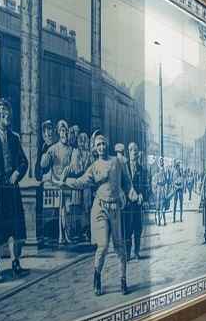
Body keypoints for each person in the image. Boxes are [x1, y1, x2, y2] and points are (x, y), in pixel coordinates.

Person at [64, 131, 130, 296]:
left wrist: (133, 194)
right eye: (98, 145)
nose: (101, 147)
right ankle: (97, 278)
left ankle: (123, 280)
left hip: (115, 208)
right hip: (99, 208)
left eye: (103, 144)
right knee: (103, 246)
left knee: (120, 247)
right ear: (95, 148)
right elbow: (81, 181)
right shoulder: (94, 167)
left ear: (107, 145)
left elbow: (127, 184)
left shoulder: (117, 162)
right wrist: (66, 182)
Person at [0, 98, 29, 281]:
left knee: (14, 229)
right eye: (3, 113)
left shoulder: (14, 138)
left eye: (8, 112)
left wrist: (17, 173)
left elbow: (24, 162)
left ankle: (15, 263)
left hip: (11, 190)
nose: (7, 115)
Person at [40, 119, 75, 245]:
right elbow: (43, 164)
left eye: (65, 131)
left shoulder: (71, 150)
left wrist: (69, 170)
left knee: (68, 210)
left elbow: (74, 166)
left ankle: (67, 234)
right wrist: (46, 154)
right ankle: (61, 235)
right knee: (60, 209)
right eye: (61, 131)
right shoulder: (53, 148)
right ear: (58, 133)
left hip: (67, 183)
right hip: (55, 183)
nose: (63, 134)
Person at [123, 142, 149, 260]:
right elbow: (121, 185)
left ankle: (137, 252)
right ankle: (128, 253)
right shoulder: (124, 169)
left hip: (138, 204)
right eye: (131, 150)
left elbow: (145, 186)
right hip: (127, 204)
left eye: (135, 150)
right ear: (128, 152)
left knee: (138, 228)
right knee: (127, 229)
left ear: (138, 153)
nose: (134, 152)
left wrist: (143, 196)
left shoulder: (142, 170)